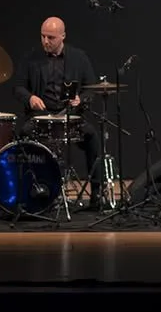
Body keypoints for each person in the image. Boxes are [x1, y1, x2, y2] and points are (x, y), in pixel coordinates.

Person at [12, 17, 104, 208]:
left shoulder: (79, 57)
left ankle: (97, 192)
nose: (45, 41)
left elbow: (91, 88)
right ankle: (30, 190)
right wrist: (30, 98)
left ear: (63, 36)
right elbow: (18, 87)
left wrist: (80, 99)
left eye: (51, 37)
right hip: (41, 116)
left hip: (70, 116)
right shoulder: (31, 58)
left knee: (93, 137)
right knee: (24, 134)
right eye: (43, 36)